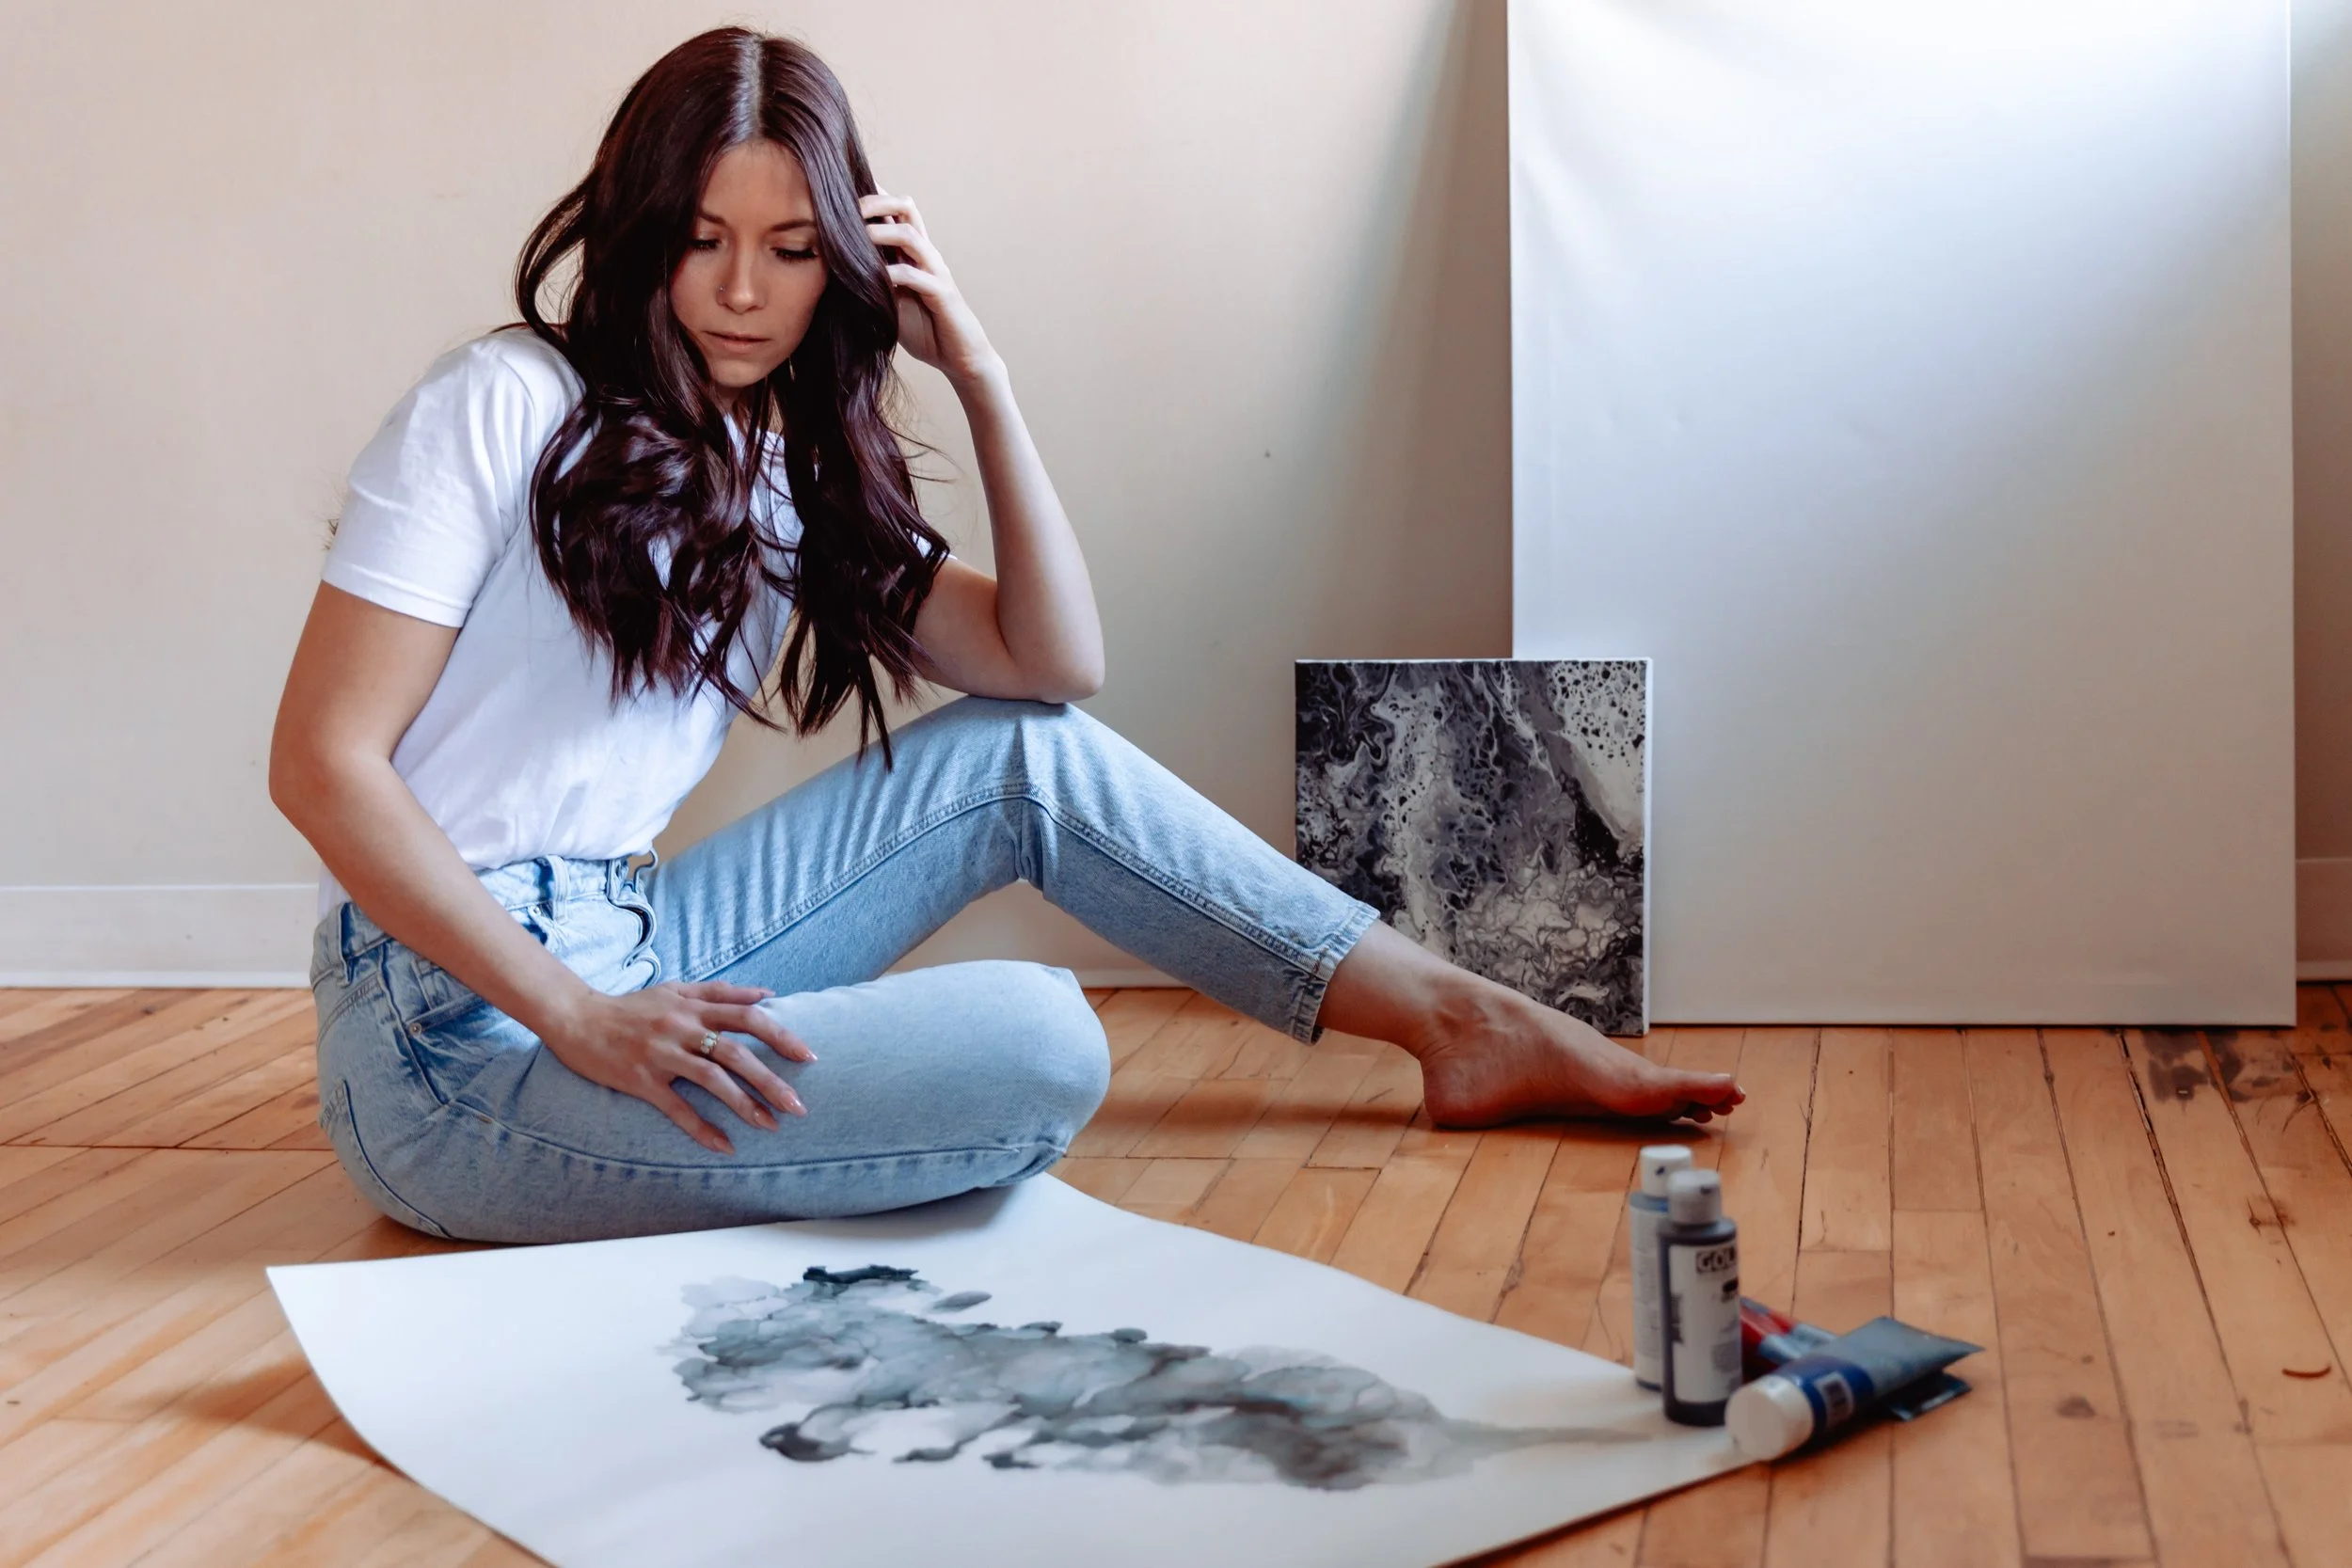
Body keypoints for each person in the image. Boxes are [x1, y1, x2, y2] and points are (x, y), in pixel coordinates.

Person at [269, 27, 1741, 1246]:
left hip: (642, 941)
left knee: (1020, 760)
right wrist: (579, 1017)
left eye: (790, 249)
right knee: (1043, 1046)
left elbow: (1054, 665)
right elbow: (324, 766)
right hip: (450, 1041)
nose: (740, 289)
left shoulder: (772, 469)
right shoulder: (502, 401)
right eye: (704, 239)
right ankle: (652, 1103)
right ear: (642, 228)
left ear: (843, 263)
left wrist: (981, 372)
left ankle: (1457, 1016)